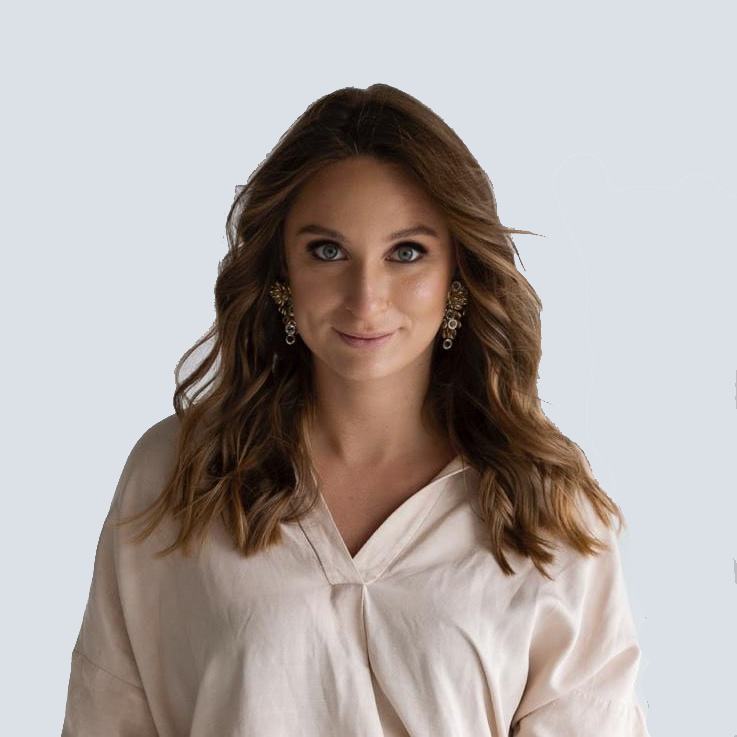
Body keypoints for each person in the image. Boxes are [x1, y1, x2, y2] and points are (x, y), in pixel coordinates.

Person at [61, 84, 650, 736]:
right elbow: (106, 715)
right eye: (327, 251)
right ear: (281, 273)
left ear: (456, 273)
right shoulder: (180, 475)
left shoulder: (547, 505)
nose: (365, 299)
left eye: (406, 252)